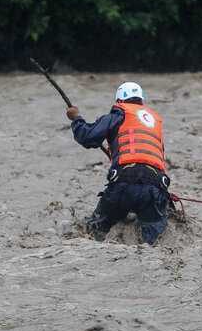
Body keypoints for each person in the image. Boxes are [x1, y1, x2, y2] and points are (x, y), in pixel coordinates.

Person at [66, 81, 171, 244]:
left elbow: (87, 138)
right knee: (155, 243)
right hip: (155, 187)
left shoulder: (117, 115)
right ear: (141, 101)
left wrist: (76, 118)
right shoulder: (154, 122)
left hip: (124, 184)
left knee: (94, 232)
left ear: (119, 101)